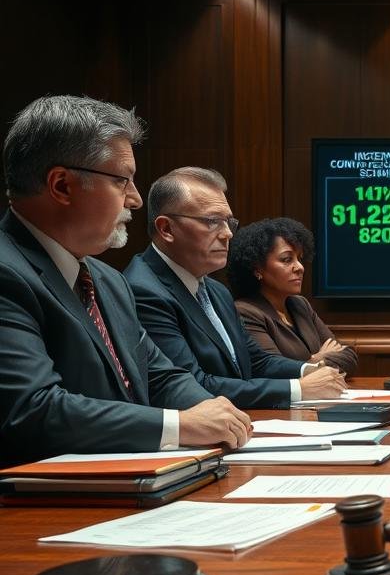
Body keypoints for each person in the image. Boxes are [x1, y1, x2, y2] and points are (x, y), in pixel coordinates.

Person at [0, 95, 251, 462]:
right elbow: (34, 411)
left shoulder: (108, 280)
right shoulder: (8, 272)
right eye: (122, 181)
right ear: (62, 186)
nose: (135, 199)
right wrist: (179, 426)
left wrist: (217, 413)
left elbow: (160, 375)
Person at [124, 167, 346, 409]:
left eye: (228, 222)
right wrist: (298, 388)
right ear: (166, 229)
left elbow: (255, 360)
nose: (228, 233)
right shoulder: (144, 290)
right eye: (212, 222)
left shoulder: (216, 290)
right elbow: (191, 385)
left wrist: (309, 369)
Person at [227, 217, 358, 377]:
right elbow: (272, 371)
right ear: (257, 269)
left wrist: (310, 363)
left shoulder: (300, 304)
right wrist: (316, 358)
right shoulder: (246, 312)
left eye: (300, 258)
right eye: (287, 259)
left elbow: (349, 358)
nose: (300, 267)